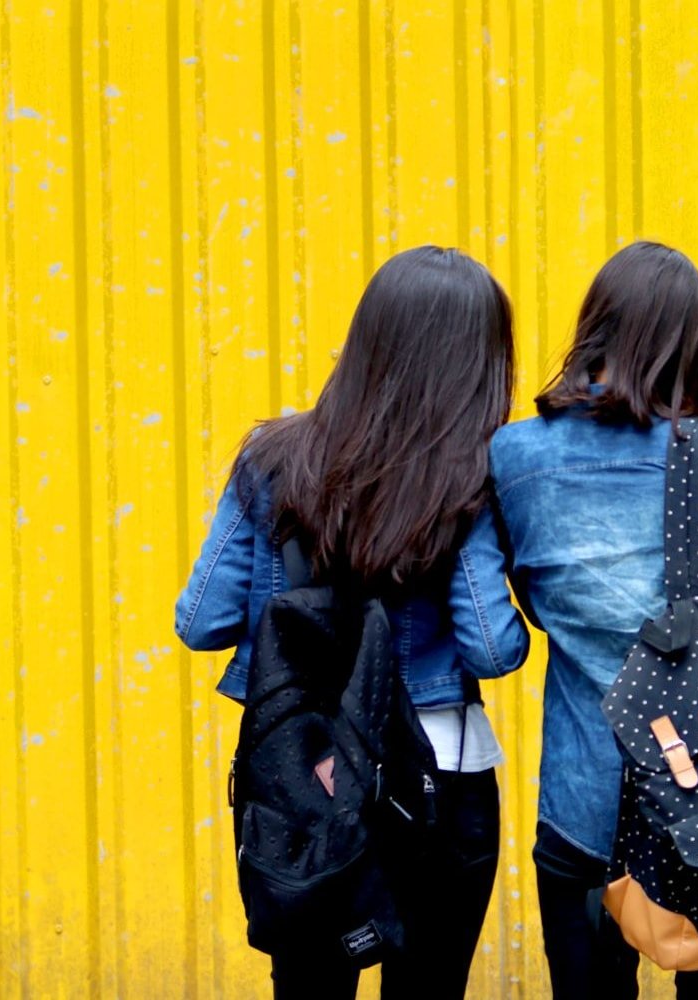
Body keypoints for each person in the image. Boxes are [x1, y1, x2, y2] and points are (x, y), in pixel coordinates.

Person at [175, 246, 531, 998]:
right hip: (437, 784)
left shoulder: (272, 461)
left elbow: (201, 621)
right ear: (478, 366)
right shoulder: (469, 476)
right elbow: (493, 650)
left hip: (302, 781)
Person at [489, 241, 698, 998]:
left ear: (595, 328)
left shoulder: (515, 456)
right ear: (693, 348)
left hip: (581, 808)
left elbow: (517, 596)